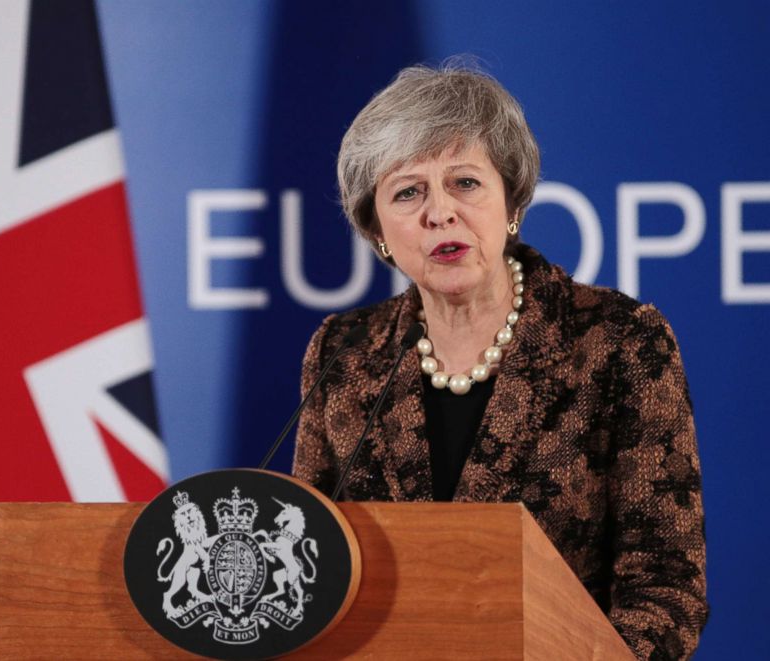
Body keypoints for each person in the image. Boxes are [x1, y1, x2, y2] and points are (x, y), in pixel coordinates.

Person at [292, 64, 707, 660]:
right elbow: (311, 564)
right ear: (377, 229)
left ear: (510, 199)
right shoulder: (343, 353)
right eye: (408, 192)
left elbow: (665, 588)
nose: (440, 213)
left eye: (464, 182)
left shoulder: (617, 341)